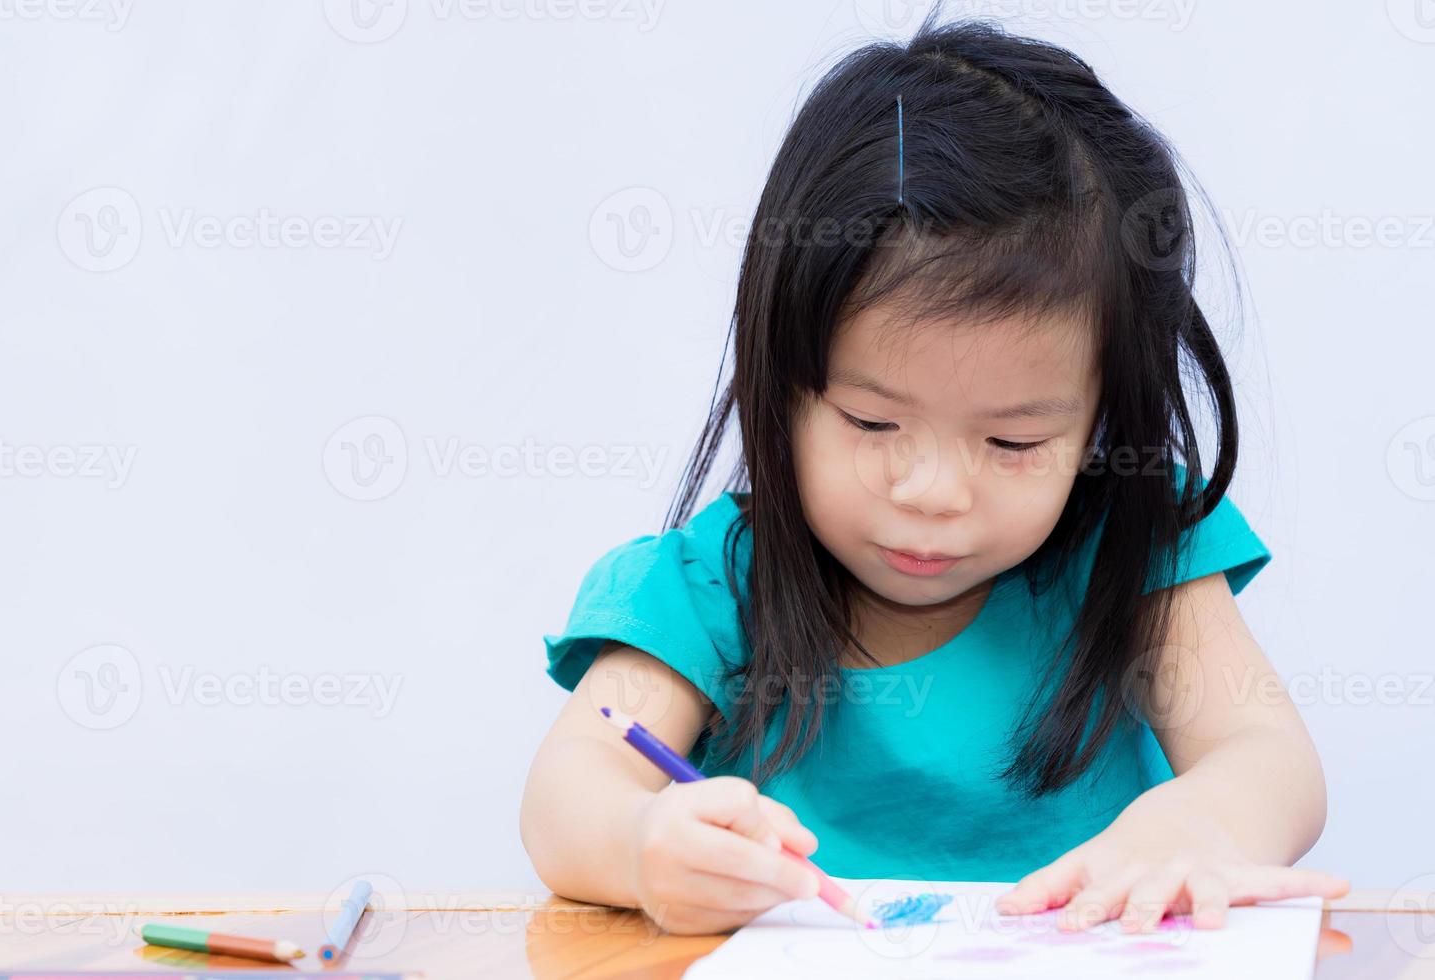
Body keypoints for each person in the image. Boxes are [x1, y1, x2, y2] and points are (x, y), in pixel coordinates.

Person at [521, 10, 1348, 937]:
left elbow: (1269, 755)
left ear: (1099, 421)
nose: (933, 493)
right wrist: (641, 839)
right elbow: (569, 793)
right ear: (779, 379)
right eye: (873, 421)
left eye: (1014, 445)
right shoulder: (710, 586)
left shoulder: (1135, 553)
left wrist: (1203, 821)